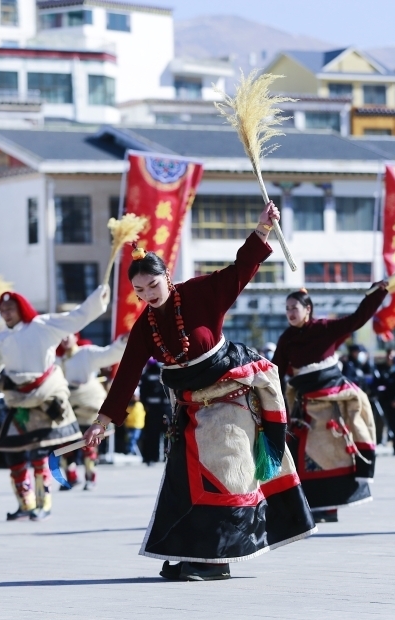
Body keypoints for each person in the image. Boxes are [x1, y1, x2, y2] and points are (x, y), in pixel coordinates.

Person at [83, 201, 315, 582]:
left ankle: (216, 560)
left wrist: (263, 229)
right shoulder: (146, 326)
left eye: (153, 285)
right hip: (189, 410)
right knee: (183, 483)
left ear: (167, 276)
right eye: (139, 291)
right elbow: (127, 374)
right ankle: (188, 551)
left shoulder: (202, 293)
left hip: (230, 399)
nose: (148, 295)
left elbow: (241, 270)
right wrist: (103, 420)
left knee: (225, 474)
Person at [0, 285, 109, 520]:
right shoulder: (1, 339)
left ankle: (45, 504)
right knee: (13, 455)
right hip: (19, 403)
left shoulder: (43, 326)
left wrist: (97, 298)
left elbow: (76, 318)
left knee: (40, 453)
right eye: (3, 309)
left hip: (45, 400)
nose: (6, 313)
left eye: (10, 308)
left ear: (21, 308)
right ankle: (26, 504)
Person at [272, 285, 387, 523]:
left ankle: (331, 506)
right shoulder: (287, 338)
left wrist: (376, 294)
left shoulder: (325, 328)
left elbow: (357, 319)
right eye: (287, 309)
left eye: (295, 308)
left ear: (308, 309)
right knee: (302, 457)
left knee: (334, 453)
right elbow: (276, 372)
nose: (290, 313)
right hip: (303, 407)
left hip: (333, 402)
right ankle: (312, 507)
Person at [57, 332, 126, 489]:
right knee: (64, 444)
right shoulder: (57, 360)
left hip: (88, 406)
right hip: (67, 408)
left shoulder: (86, 353)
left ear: (76, 337)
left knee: (89, 443)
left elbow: (109, 354)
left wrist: (122, 341)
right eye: (62, 336)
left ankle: (90, 477)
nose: (65, 339)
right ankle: (71, 477)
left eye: (69, 335)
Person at [139, 359, 169, 465]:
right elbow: (143, 393)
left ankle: (168, 456)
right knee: (152, 434)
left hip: (167, 407)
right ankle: (151, 457)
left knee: (168, 434)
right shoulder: (148, 375)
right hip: (153, 409)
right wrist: (145, 406)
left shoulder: (169, 372)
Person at [125, 389, 145, 457]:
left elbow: (135, 415)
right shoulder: (129, 405)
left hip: (137, 425)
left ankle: (131, 451)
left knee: (134, 438)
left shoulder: (139, 405)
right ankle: (130, 450)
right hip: (130, 425)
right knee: (131, 439)